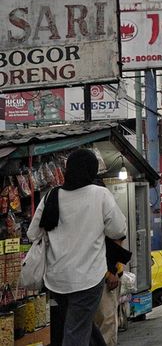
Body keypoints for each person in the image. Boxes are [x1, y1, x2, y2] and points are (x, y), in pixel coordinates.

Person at [28, 148, 128, 346]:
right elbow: (118, 230)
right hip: (88, 278)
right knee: (77, 331)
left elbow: (33, 234)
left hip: (57, 279)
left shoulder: (51, 196)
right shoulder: (100, 195)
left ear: (68, 169)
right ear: (92, 170)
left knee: (80, 324)